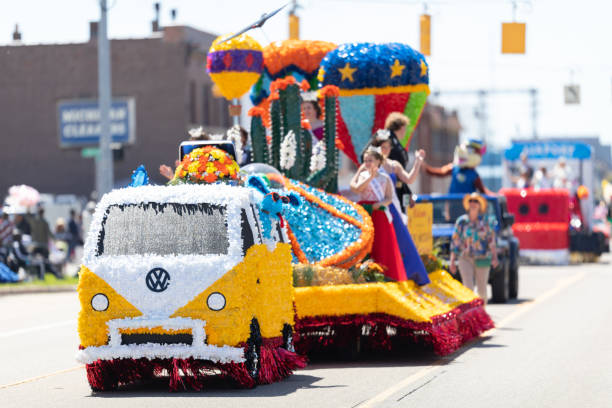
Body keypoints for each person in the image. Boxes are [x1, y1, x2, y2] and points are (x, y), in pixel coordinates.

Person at [370, 130, 430, 285]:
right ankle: (382, 275)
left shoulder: (393, 165)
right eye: (381, 147)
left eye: (387, 147)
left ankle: (410, 275)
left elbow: (409, 179)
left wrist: (417, 161)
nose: (385, 150)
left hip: (392, 208)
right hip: (377, 209)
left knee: (403, 242)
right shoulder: (369, 164)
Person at [350, 146, 407, 281]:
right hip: (365, 212)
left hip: (379, 213)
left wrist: (380, 204)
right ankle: (362, 274)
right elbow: (356, 189)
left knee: (382, 245)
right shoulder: (362, 175)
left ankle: (384, 275)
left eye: (370, 160)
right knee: (364, 243)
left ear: (378, 162)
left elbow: (389, 198)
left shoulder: (385, 178)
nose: (367, 163)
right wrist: (369, 177)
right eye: (365, 160)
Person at [449, 193, 499, 305]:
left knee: (482, 291)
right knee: (468, 289)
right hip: (465, 258)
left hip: (482, 258)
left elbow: (491, 241)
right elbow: (456, 241)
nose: (473, 203)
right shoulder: (461, 221)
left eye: (476, 201)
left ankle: (482, 316)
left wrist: (494, 257)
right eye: (471, 201)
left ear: (480, 205)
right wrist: (452, 261)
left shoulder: (486, 222)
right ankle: (470, 318)